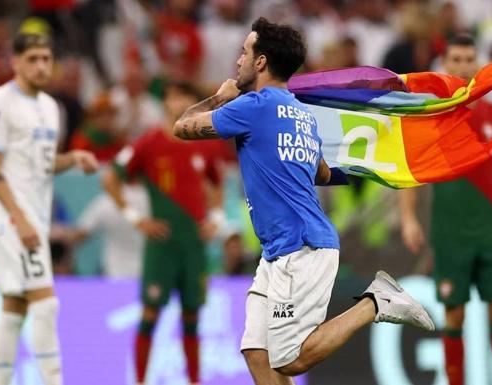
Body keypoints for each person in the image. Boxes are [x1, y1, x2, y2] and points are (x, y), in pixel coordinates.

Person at [172, 17, 434, 384]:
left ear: (261, 62)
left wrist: (220, 96)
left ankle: (376, 303)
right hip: (279, 249)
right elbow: (322, 173)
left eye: (244, 52)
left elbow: (181, 126)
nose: (238, 62)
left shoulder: (253, 107)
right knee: (256, 352)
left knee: (291, 360)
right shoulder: (302, 116)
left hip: (301, 247)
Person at [399, 34, 492, 385]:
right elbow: (410, 170)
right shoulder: (430, 117)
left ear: (476, 64)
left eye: (468, 58)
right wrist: (409, 218)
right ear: (445, 65)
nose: (461, 65)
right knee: (454, 316)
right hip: (449, 231)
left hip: (489, 229)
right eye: (455, 59)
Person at [0, 33, 99, 385]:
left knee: (14, 306)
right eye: (33, 58)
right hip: (9, 219)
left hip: (32, 217)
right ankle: (53, 380)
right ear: (15, 62)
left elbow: (43, 164)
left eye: (46, 58)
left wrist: (74, 158)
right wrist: (18, 219)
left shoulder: (51, 107)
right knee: (45, 304)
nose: (41, 65)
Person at [102, 81, 226, 385]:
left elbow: (218, 182)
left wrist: (216, 218)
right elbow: (110, 179)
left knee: (192, 318)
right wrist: (136, 218)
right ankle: (141, 381)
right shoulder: (149, 143)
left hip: (194, 245)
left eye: (187, 96)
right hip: (162, 246)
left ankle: (194, 380)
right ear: (166, 102)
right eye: (175, 96)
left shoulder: (205, 143)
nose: (180, 102)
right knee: (150, 316)